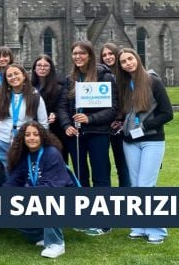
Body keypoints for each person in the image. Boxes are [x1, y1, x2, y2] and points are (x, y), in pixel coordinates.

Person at [58, 40, 117, 236]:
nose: (78, 57)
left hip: (97, 133)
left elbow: (112, 109)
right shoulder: (71, 79)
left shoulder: (104, 76)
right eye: (75, 53)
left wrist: (89, 118)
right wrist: (66, 125)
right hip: (76, 135)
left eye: (82, 53)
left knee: (100, 176)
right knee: (81, 177)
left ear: (90, 55)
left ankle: (104, 222)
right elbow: (62, 107)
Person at [116, 47, 174, 244]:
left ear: (137, 59)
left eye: (130, 59)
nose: (128, 63)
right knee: (135, 185)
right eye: (123, 62)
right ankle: (139, 227)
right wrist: (121, 124)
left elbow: (167, 113)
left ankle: (157, 230)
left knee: (146, 185)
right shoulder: (125, 85)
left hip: (152, 141)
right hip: (129, 142)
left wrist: (143, 128)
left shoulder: (153, 82)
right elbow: (128, 113)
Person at [5, 122, 74, 259]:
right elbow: (13, 182)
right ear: (22, 138)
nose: (32, 138)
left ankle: (56, 244)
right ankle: (42, 236)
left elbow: (52, 187)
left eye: (36, 134)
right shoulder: (25, 156)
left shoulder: (52, 153)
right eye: (28, 135)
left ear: (42, 136)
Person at [0, 64, 48, 165]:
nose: (13, 77)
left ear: (24, 76)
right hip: (2, 140)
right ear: (6, 79)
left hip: (25, 140)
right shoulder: (1, 96)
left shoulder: (35, 96)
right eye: (10, 75)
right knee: (4, 172)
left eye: (16, 74)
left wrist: (40, 141)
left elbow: (43, 123)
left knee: (23, 170)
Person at [100, 42, 130, 188]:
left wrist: (121, 119)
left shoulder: (126, 76)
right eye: (104, 55)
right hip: (103, 126)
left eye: (111, 53)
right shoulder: (99, 76)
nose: (108, 57)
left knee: (122, 165)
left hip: (121, 126)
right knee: (103, 166)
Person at [31, 54, 67, 161]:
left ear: (51, 68)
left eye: (46, 66)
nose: (42, 68)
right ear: (34, 68)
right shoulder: (30, 86)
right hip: (36, 126)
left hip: (55, 128)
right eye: (39, 65)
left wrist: (55, 114)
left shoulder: (59, 85)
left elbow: (62, 104)